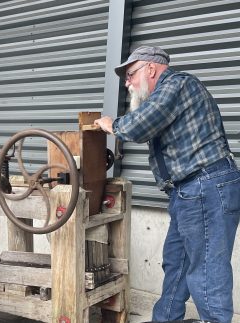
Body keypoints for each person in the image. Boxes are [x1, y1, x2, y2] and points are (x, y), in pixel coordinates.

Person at [94, 46, 240, 323]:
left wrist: (112, 124)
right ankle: (166, 318)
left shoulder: (178, 84)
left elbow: (138, 125)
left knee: (207, 268)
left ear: (151, 68)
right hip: (188, 191)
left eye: (130, 74)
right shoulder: (167, 93)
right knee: (177, 261)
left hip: (205, 186)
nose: (128, 83)